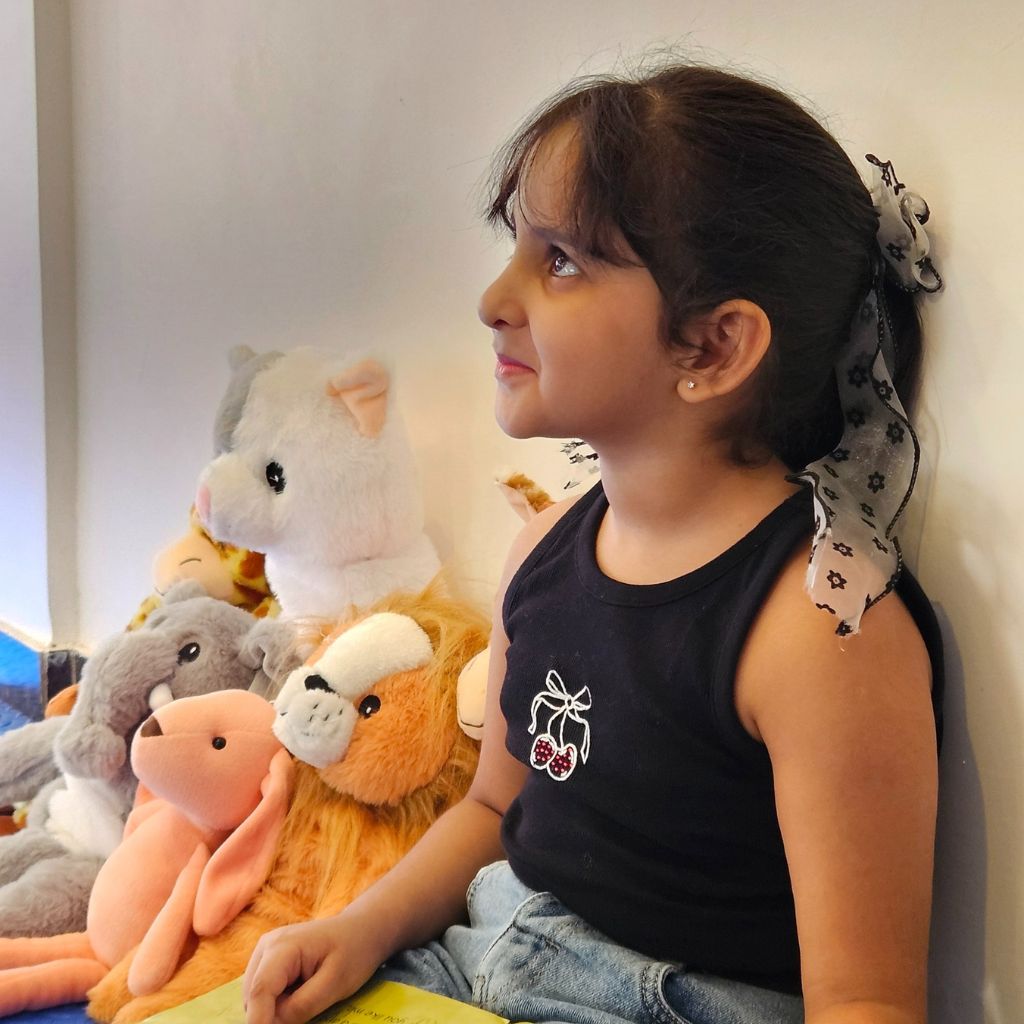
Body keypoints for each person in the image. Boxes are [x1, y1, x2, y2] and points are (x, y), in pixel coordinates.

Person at [243, 63, 944, 1024]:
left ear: (711, 348)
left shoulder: (820, 629)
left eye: (561, 259)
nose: (496, 296)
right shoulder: (542, 554)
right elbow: (493, 813)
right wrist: (355, 930)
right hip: (485, 949)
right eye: (516, 246)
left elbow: (865, 1001)